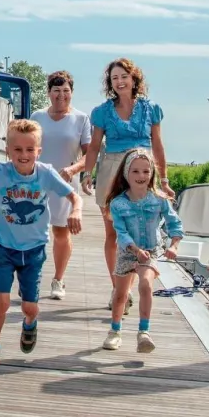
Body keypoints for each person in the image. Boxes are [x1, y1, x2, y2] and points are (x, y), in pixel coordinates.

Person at [0, 118, 76, 367]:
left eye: (29, 150)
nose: (23, 155)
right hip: (4, 247)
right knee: (1, 301)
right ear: (8, 151)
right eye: (18, 149)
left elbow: (73, 195)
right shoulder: (1, 173)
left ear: (38, 151)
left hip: (33, 250)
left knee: (29, 307)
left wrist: (75, 211)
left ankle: (30, 324)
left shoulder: (45, 173)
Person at [79, 58, 171, 285]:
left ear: (133, 78)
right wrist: (87, 173)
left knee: (138, 234)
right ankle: (117, 287)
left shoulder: (151, 109)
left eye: (123, 77)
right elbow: (94, 146)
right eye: (114, 78)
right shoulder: (102, 112)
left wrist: (165, 179)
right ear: (110, 83)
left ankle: (131, 282)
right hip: (111, 171)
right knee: (113, 233)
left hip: (141, 171)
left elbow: (158, 145)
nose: (119, 82)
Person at [102, 148, 183, 352]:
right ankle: (115, 330)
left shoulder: (159, 199)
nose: (141, 176)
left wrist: (174, 245)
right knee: (120, 295)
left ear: (152, 174)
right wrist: (135, 250)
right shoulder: (118, 203)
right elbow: (120, 232)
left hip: (151, 251)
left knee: (146, 284)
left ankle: (143, 332)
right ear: (126, 174)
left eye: (146, 172)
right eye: (135, 171)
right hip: (128, 251)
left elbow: (174, 223)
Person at [30, 70, 91, 301]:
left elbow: (89, 155)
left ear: (72, 93)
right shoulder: (37, 117)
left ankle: (58, 279)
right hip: (36, 181)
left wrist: (76, 170)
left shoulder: (81, 119)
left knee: (61, 232)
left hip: (65, 182)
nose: (61, 96)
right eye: (56, 91)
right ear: (49, 93)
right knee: (33, 231)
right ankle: (31, 277)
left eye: (66, 91)